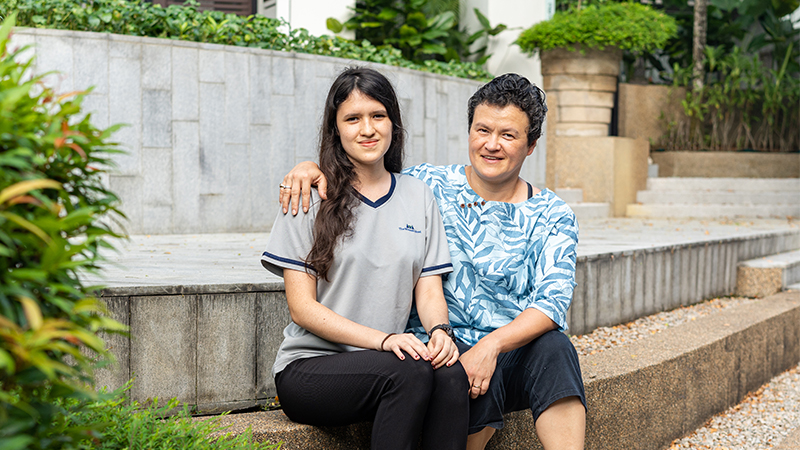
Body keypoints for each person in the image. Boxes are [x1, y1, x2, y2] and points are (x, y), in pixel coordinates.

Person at [280, 73, 587, 450]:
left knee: (555, 348)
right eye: (483, 130)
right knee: (446, 371)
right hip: (430, 355)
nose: (491, 144)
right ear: (470, 130)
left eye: (508, 135)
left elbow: (552, 302)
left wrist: (489, 346)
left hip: (501, 351)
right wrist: (309, 168)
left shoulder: (551, 213)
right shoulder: (428, 186)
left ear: (531, 145)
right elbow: (362, 171)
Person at [260, 67, 468, 450]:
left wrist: (441, 332)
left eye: (378, 116)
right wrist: (385, 340)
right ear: (336, 129)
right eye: (352, 119)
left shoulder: (418, 195)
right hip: (310, 370)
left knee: (452, 374)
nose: (367, 129)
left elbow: (428, 290)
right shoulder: (307, 195)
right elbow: (302, 309)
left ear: (393, 123)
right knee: (410, 372)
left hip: (390, 364)